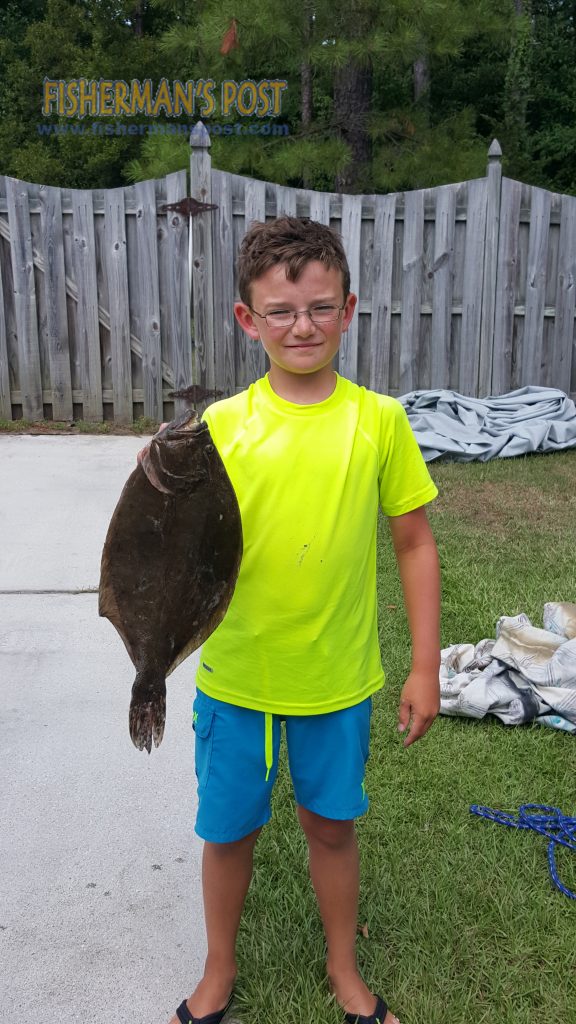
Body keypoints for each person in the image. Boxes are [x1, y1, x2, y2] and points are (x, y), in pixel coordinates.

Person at [145, 216, 441, 1024]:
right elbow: (169, 553)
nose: (302, 326)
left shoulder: (379, 421)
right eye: (280, 311)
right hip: (236, 676)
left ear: (349, 309)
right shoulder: (217, 432)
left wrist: (425, 665)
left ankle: (344, 969)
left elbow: (413, 541)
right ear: (248, 319)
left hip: (337, 678)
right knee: (229, 831)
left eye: (320, 306)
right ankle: (217, 970)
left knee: (332, 828)